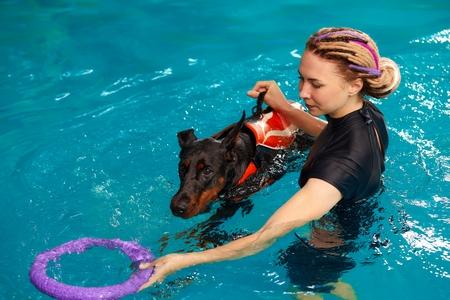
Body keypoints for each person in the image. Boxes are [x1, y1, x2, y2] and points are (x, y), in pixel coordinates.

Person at [139, 27, 401, 299]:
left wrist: (180, 261)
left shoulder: (339, 166)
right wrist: (285, 110)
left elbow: (262, 238)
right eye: (302, 79)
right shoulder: (365, 114)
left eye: (316, 84)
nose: (302, 92)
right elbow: (330, 136)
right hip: (362, 211)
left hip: (326, 247)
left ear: (354, 85)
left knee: (305, 286)